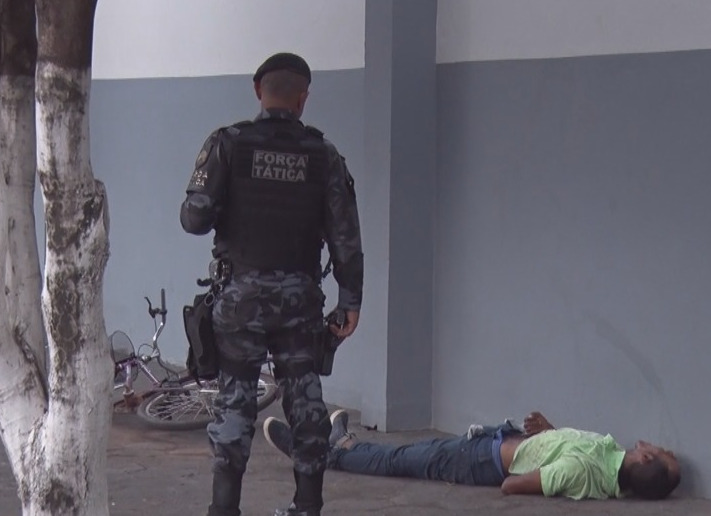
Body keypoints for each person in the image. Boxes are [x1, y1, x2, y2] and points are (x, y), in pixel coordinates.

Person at [180, 52, 364, 516]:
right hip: (300, 302)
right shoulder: (324, 155)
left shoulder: (227, 144)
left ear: (258, 91)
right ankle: (307, 506)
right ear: (303, 99)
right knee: (306, 402)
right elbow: (346, 238)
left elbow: (194, 219)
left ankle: (224, 509)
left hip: (240, 301)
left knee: (235, 405)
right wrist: (350, 300)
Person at [263, 410, 681, 501]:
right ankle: (345, 443)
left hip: (477, 462)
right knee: (402, 454)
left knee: (397, 461)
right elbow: (559, 452)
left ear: (646, 461)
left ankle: (317, 454)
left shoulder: (583, 471)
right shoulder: (608, 455)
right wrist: (548, 433)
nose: (652, 444)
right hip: (491, 442)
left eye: (659, 451)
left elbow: (513, 485)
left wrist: (536, 462)